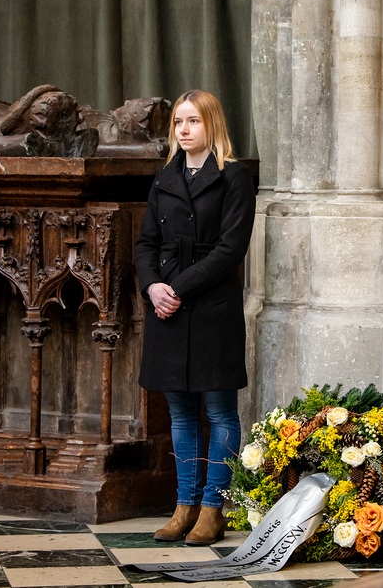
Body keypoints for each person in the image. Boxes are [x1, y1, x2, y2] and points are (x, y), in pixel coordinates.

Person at [134, 89, 255, 545]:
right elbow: (146, 243)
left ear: (212, 124)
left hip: (211, 306)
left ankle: (212, 509)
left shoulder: (234, 176)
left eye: (193, 121)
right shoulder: (165, 177)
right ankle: (184, 506)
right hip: (165, 306)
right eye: (178, 122)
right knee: (181, 412)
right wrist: (152, 286)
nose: (184, 130)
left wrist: (177, 289)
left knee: (219, 410)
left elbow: (230, 249)